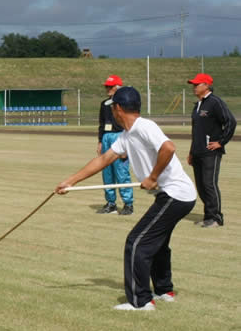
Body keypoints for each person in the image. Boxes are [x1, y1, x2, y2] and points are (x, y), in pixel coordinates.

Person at [56, 87, 197, 311]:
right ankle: (163, 290)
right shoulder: (126, 136)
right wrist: (71, 181)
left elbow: (168, 148)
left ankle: (140, 302)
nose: (112, 111)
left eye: (112, 107)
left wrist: (152, 176)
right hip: (175, 195)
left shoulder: (144, 126)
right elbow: (104, 159)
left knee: (136, 242)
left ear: (118, 108)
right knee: (157, 244)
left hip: (175, 194)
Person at [186, 73, 236, 228]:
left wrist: (220, 142)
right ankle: (208, 216)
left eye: (197, 84)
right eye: (193, 84)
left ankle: (216, 217)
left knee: (209, 184)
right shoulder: (198, 105)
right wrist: (191, 152)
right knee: (201, 186)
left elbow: (230, 121)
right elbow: (196, 131)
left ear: (206, 85)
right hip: (198, 152)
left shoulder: (215, 102)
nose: (194, 87)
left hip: (211, 152)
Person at [97, 75, 134, 215]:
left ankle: (128, 204)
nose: (107, 89)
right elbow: (101, 123)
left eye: (110, 86)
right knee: (107, 172)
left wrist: (127, 147)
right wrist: (100, 141)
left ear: (118, 87)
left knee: (122, 172)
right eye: (106, 86)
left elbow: (129, 125)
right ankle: (110, 203)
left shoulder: (125, 104)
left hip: (120, 136)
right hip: (107, 137)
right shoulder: (104, 104)